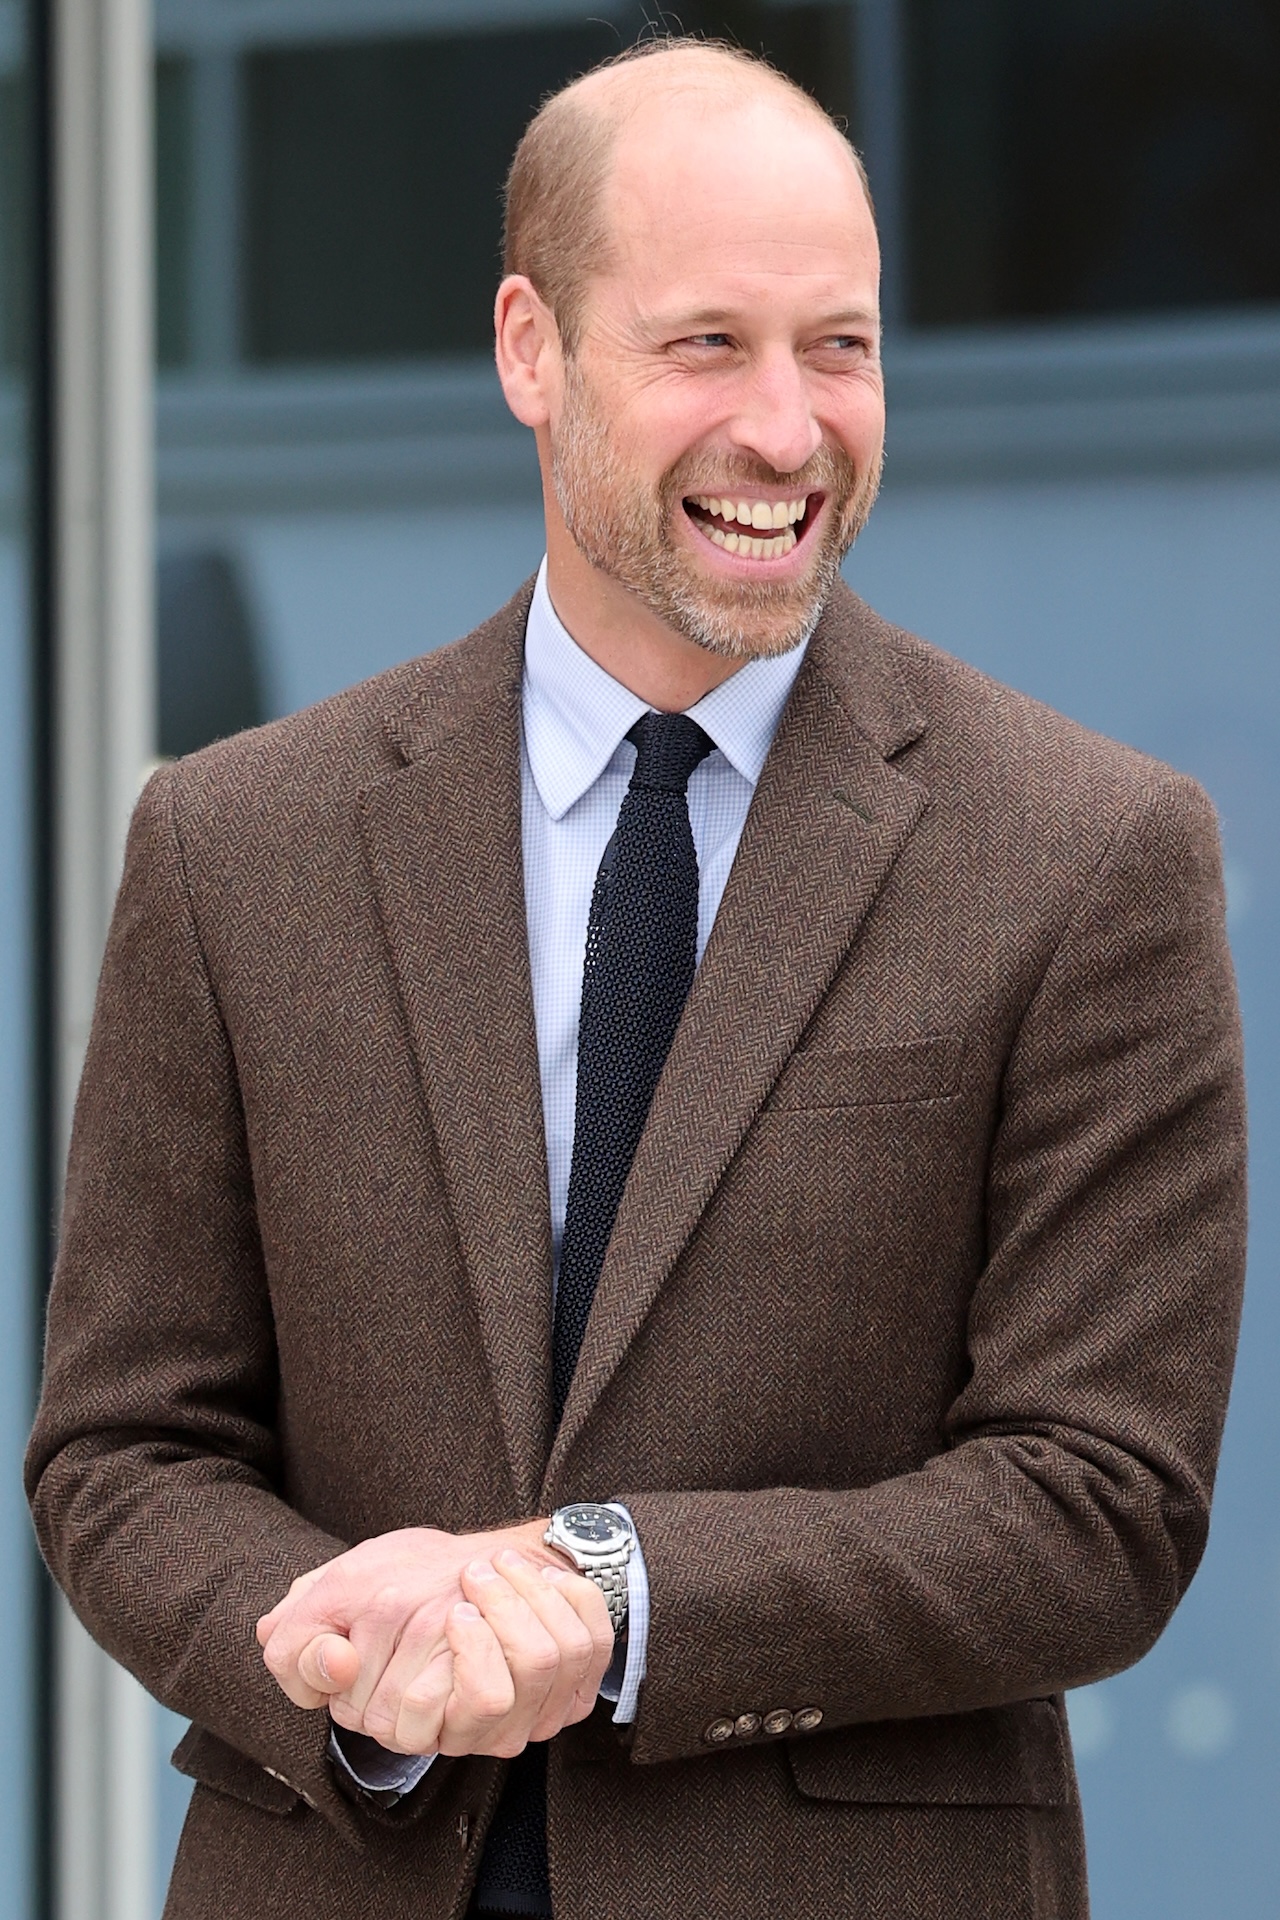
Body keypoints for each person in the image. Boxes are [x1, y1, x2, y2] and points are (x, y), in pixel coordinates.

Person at [27, 36, 1247, 1920]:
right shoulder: (233, 845)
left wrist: (611, 1596)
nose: (790, 428)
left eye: (839, 346)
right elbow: (123, 1448)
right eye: (708, 346)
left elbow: (1102, 1502)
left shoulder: (1092, 856)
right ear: (532, 350)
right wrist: (361, 1664)